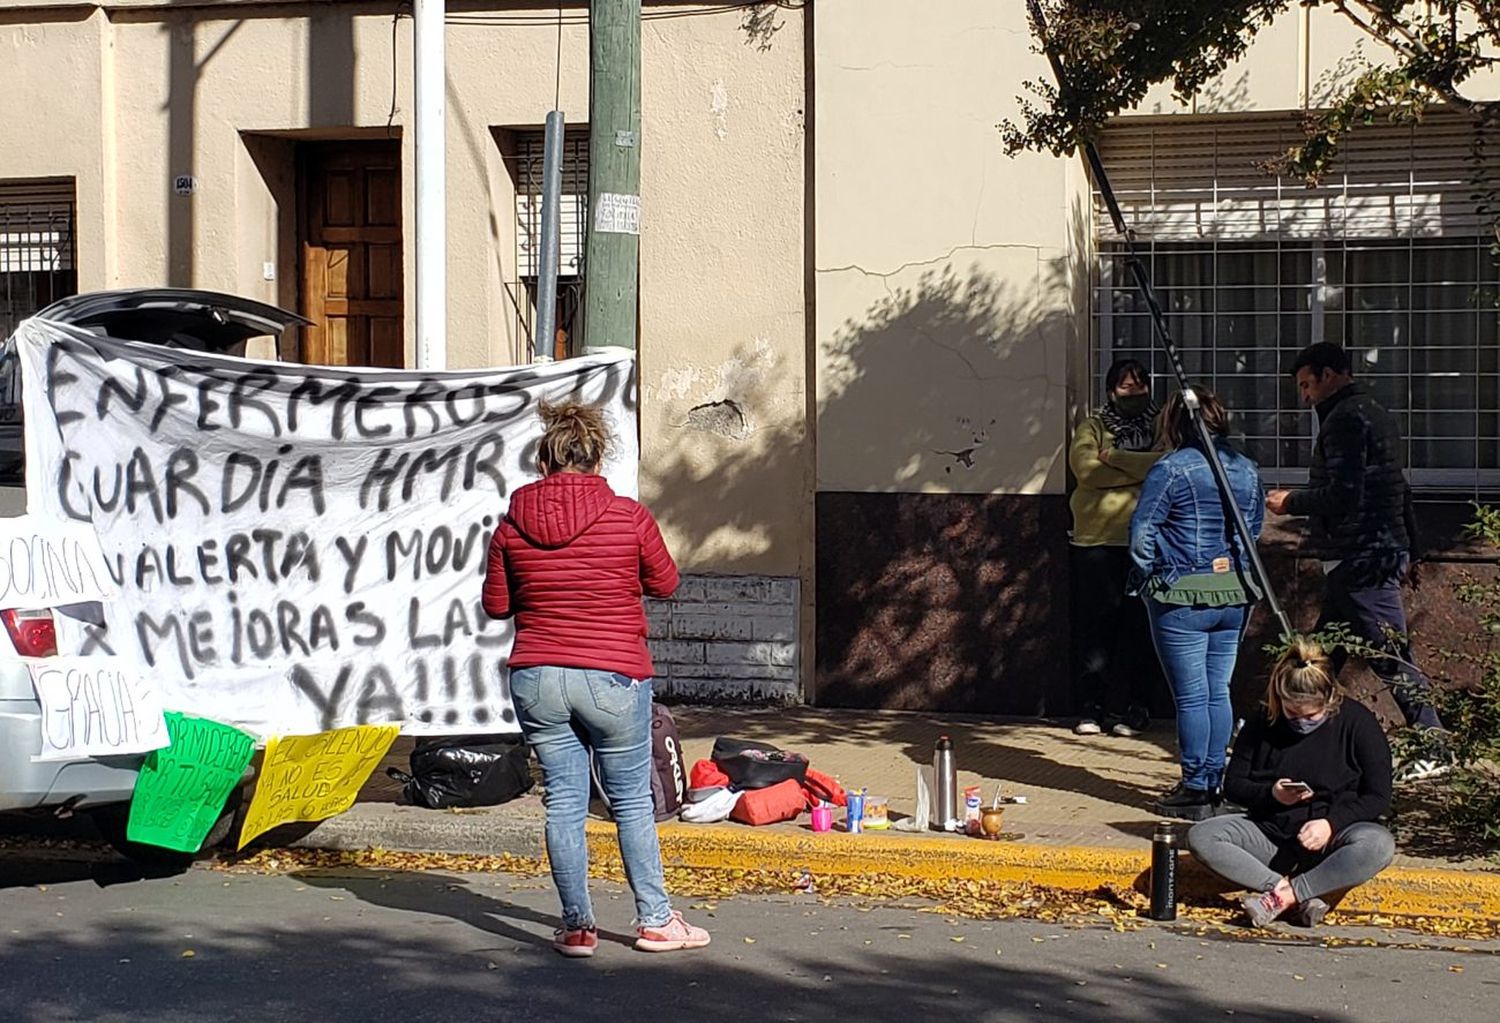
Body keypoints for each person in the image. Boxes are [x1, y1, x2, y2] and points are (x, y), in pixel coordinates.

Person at [482, 401, 710, 958]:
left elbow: (495, 606)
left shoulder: (511, 526)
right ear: (596, 456)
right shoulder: (628, 515)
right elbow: (667, 582)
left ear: (545, 460)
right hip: (611, 674)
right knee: (630, 801)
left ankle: (577, 927)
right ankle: (655, 920)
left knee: (563, 801)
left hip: (537, 676)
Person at [1265, 342, 1445, 776]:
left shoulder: (1345, 419)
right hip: (1374, 550)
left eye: (1308, 384)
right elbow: (1397, 488)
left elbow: (1345, 493)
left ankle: (1435, 747)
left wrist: (1292, 502)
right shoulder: (1374, 413)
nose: (1305, 396)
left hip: (1361, 555)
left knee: (1388, 655)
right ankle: (1288, 735)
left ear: (1330, 375)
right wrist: (1412, 549)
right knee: (1321, 654)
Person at [1188, 639, 1395, 929]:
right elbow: (1234, 785)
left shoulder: (1358, 723)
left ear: (1330, 698)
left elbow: (1378, 796)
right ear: (1279, 700)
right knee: (1202, 835)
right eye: (1291, 713)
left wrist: (1331, 824)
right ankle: (1295, 894)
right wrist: (1272, 794)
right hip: (1273, 834)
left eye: (1311, 715)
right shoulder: (1263, 721)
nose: (1301, 722)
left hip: (1333, 839)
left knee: (1378, 844)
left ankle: (1284, 897)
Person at [1129, 386, 1265, 820]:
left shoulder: (1170, 469)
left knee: (1190, 697)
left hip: (1181, 592)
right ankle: (1214, 781)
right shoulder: (1246, 468)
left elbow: (1142, 535)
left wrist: (1153, 575)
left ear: (1175, 423)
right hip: (1236, 593)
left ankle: (1194, 787)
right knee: (1217, 690)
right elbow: (1255, 527)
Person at [1068, 358, 1164, 737]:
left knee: (1138, 629)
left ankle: (1132, 709)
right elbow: (1085, 471)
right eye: (1126, 387)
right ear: (1111, 391)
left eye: (1140, 387)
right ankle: (1091, 709)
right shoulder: (1093, 426)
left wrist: (1116, 459)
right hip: (1096, 542)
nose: (1135, 394)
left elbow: (1168, 462)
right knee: (1096, 629)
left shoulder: (1160, 426)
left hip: (1145, 542)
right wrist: (1141, 469)